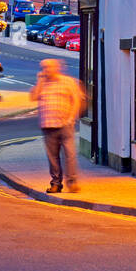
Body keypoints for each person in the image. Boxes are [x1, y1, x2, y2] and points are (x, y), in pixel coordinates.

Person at [29, 58, 85, 193]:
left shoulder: (68, 82)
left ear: (56, 68)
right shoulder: (43, 83)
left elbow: (76, 100)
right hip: (47, 124)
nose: (45, 70)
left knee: (70, 154)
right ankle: (56, 184)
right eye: (44, 68)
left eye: (48, 67)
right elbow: (33, 97)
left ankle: (72, 182)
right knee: (52, 157)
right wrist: (39, 81)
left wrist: (72, 118)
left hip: (65, 124)